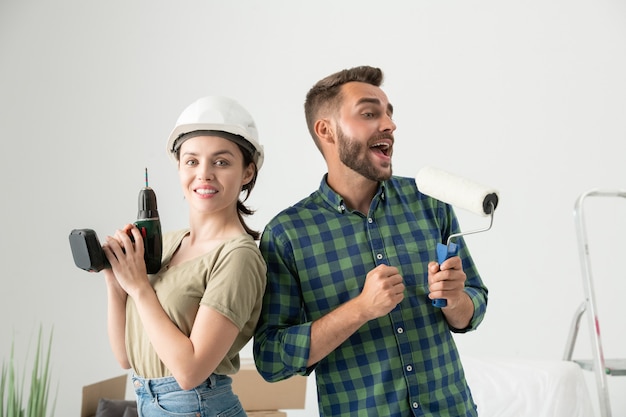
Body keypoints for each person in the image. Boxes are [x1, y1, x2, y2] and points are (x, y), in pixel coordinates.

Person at [253, 66, 488, 417]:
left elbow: (474, 306)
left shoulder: (429, 202)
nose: (389, 124)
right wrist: (360, 309)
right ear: (326, 130)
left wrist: (455, 298)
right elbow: (271, 359)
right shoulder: (288, 235)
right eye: (369, 113)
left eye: (389, 113)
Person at [102, 96, 267, 417]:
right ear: (179, 167)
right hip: (147, 400)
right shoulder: (166, 244)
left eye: (221, 162)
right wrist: (116, 282)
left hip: (197, 407)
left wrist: (139, 288)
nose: (204, 174)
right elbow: (126, 357)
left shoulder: (238, 257)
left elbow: (190, 372)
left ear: (247, 172)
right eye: (192, 161)